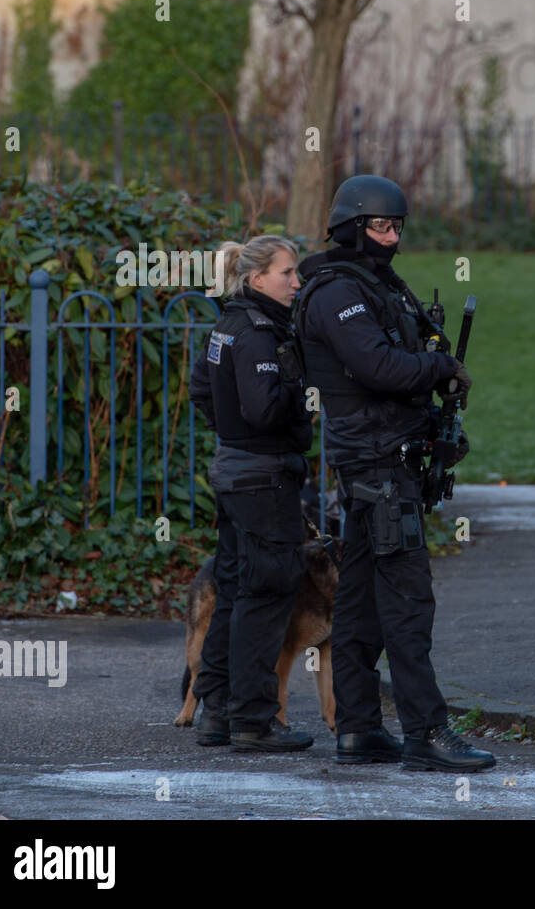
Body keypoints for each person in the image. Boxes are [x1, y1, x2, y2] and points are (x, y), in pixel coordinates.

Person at [296, 174, 493, 771]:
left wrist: (434, 369)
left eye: (397, 227)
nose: (390, 237)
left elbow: (403, 350)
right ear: (351, 228)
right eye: (380, 226)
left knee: (358, 601)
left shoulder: (375, 283)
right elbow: (376, 364)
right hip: (377, 463)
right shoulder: (336, 292)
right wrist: (437, 366)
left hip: (387, 459)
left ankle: (357, 729)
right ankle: (427, 732)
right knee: (408, 601)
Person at [189, 235, 315, 752]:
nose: (297, 282)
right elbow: (266, 410)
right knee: (268, 591)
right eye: (287, 273)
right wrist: (301, 395)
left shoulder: (228, 323)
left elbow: (201, 389)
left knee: (237, 587)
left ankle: (215, 710)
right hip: (263, 479)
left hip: (233, 473)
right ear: (257, 277)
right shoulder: (262, 332)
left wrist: (232, 431)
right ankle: (255, 720)